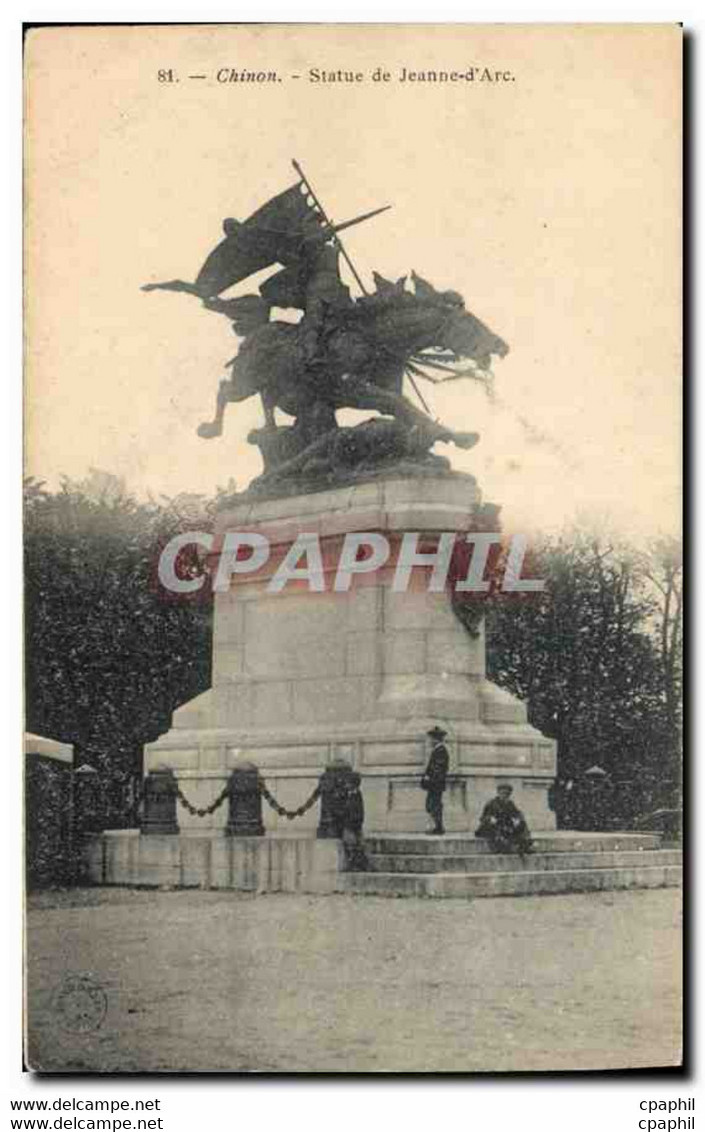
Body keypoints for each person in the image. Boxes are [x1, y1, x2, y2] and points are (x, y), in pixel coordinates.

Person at [475, 784, 534, 858]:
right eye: (503, 793)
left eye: (507, 794)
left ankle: (526, 844)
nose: (505, 796)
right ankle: (504, 846)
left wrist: (517, 820)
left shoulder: (510, 804)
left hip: (504, 826)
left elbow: (517, 814)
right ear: (498, 793)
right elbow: (483, 817)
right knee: (496, 831)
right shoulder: (491, 803)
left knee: (522, 823)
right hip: (491, 827)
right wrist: (490, 819)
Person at [421, 726, 450, 835]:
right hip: (435, 784)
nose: (430, 741)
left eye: (431, 738)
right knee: (432, 805)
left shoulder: (441, 750)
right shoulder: (438, 750)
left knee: (434, 805)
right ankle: (436, 827)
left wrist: (429, 778)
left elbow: (438, 769)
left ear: (436, 739)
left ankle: (438, 827)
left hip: (435, 784)